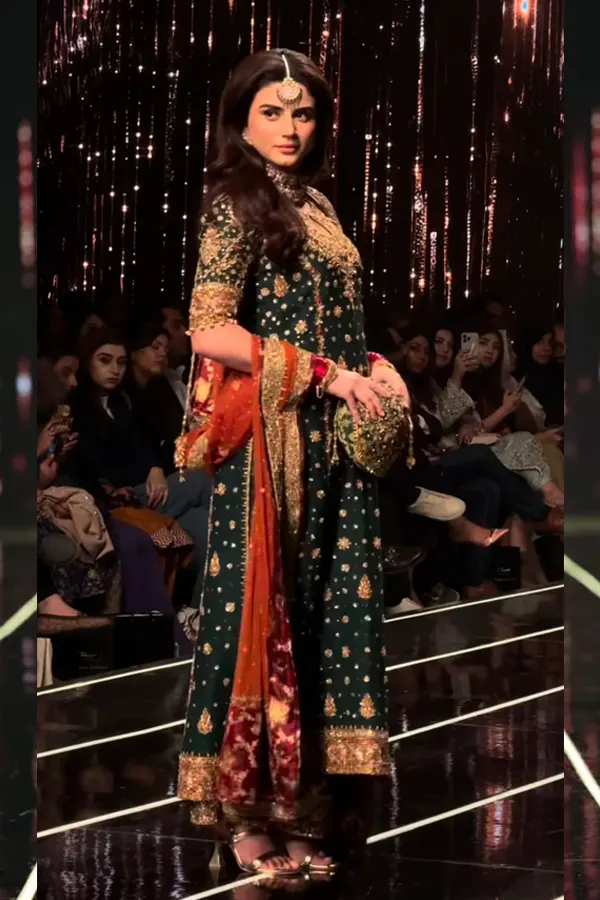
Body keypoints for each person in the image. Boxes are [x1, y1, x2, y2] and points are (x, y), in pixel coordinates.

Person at [177, 49, 410, 879]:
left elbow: (339, 322)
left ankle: (311, 813)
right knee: (261, 617)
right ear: (241, 121)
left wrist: (374, 370)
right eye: (272, 112)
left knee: (328, 624)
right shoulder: (233, 205)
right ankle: (244, 816)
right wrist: (325, 375)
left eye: (302, 113)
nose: (289, 127)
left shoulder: (319, 204)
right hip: (273, 447)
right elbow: (208, 329)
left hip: (336, 445)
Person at [67, 327, 212, 613]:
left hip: (148, 493)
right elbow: (81, 466)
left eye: (121, 362)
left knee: (206, 527)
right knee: (200, 482)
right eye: (105, 360)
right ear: (87, 362)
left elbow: (143, 445)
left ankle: (199, 617)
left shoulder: (122, 401)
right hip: (120, 502)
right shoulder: (76, 407)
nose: (114, 370)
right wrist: (108, 490)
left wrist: (155, 468)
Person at [126, 318, 186, 474]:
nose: (162, 353)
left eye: (166, 350)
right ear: (134, 352)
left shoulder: (162, 390)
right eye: (155, 347)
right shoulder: (122, 395)